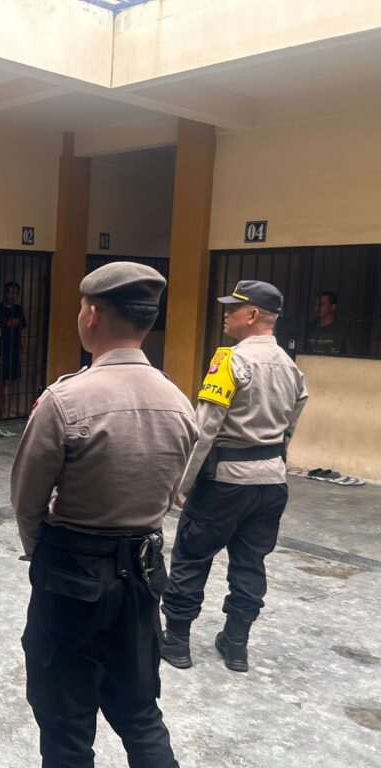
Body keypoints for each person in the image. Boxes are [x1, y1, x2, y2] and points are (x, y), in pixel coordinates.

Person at [11, 262, 196, 768]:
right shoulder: (180, 404)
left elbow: (27, 501)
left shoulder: (65, 400)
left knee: (66, 725)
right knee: (140, 713)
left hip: (71, 575)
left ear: (92, 314)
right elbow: (171, 490)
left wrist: (44, 555)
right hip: (142, 574)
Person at [161, 280, 308, 673]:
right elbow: (290, 427)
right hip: (271, 483)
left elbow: (204, 428)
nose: (226, 314)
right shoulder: (291, 368)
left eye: (233, 309)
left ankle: (177, 642)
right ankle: (236, 645)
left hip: (224, 483)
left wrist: (181, 484)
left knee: (192, 557)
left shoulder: (229, 361)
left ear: (253, 315)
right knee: (250, 563)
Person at [0, 281, 28, 419]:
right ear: (4, 293)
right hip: (0, 349)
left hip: (13, 350)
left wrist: (23, 351)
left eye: (15, 293)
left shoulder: (18, 310)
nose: (12, 295)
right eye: (9, 292)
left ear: (18, 294)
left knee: (9, 382)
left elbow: (22, 332)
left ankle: (5, 412)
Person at [303, 290, 349, 354]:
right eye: (315, 304)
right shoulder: (308, 327)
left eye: (321, 304)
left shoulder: (342, 329)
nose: (317, 308)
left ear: (332, 307)